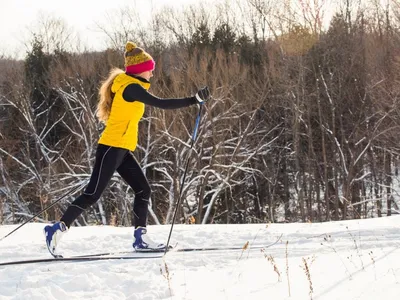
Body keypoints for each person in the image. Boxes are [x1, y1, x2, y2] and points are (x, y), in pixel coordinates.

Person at [44, 41, 210, 256]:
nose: (152, 72)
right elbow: (160, 103)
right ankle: (56, 230)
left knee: (143, 189)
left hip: (122, 149)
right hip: (111, 147)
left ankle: (140, 238)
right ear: (140, 70)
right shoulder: (131, 88)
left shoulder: (130, 86)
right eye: (150, 68)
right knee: (93, 194)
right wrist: (193, 100)